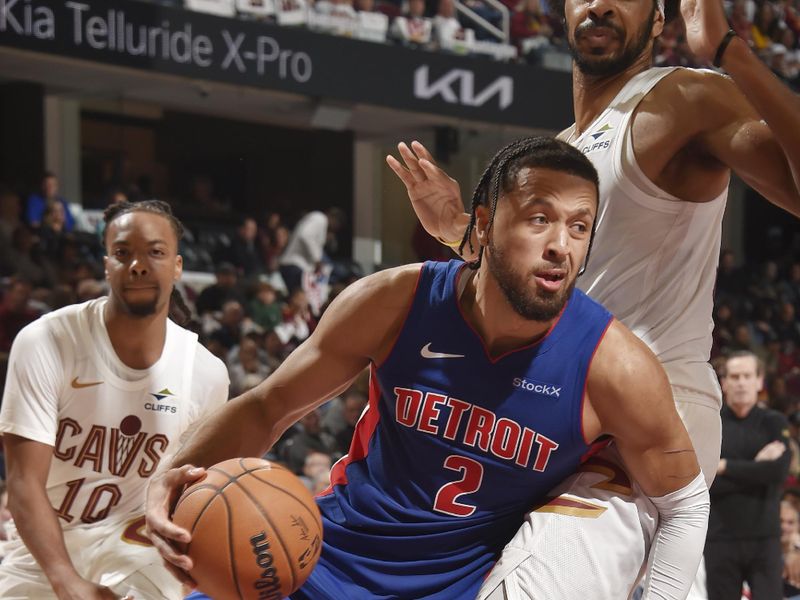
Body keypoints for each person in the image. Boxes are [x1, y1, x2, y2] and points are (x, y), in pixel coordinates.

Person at [147, 137, 708, 600]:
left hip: (455, 587)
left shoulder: (614, 365)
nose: (561, 245)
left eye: (579, 227)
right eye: (540, 219)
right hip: (321, 556)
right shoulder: (396, 301)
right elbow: (271, 406)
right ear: (483, 225)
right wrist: (164, 486)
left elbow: (684, 504)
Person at [387, 0, 799, 595]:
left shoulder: (683, 97)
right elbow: (543, 285)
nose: (600, 3)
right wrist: (460, 232)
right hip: (558, 411)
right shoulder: (564, 148)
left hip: (653, 413)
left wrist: (729, 52)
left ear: (660, 20)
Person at [0, 200, 229, 599]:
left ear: (177, 266)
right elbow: (23, 483)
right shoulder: (45, 341)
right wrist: (65, 580)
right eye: (123, 253)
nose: (138, 265)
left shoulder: (206, 374)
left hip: (138, 546)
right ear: (107, 265)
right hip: (43, 543)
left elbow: (196, 496)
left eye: (155, 252)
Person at [704, 351, 791, 600]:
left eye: (747, 376)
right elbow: (705, 480)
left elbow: (777, 472)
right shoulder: (711, 423)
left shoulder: (774, 422)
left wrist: (724, 466)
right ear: (724, 383)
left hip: (764, 538)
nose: (741, 382)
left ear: (759, 381)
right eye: (734, 376)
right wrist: (756, 467)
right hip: (720, 538)